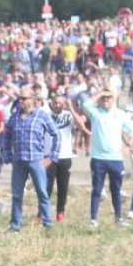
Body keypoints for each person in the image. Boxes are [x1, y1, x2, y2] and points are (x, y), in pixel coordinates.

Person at [2, 85, 61, 232]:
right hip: (19, 161)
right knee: (17, 194)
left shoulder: (42, 116)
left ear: (33, 100)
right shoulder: (14, 116)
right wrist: (7, 153)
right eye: (19, 98)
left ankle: (48, 224)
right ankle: (15, 225)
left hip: (36, 160)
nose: (20, 101)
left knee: (42, 192)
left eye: (23, 98)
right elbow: (6, 135)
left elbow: (56, 135)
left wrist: (52, 157)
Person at [78, 89, 133, 228]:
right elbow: (85, 105)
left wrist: (129, 146)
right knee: (97, 190)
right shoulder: (95, 113)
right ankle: (93, 220)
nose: (106, 100)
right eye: (104, 98)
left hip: (115, 159)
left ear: (114, 99)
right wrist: (100, 93)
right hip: (98, 158)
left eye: (109, 98)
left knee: (116, 190)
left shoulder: (120, 115)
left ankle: (119, 218)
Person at [42, 94, 76, 223]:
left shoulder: (69, 115)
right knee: (47, 186)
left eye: (60, 103)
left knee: (63, 186)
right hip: (49, 156)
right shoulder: (46, 115)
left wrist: (71, 108)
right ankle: (43, 212)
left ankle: (60, 212)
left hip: (65, 155)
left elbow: (80, 124)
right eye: (55, 103)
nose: (58, 105)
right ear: (51, 103)